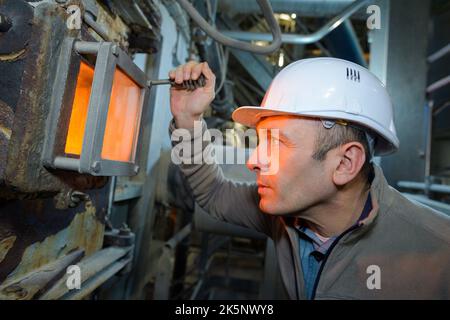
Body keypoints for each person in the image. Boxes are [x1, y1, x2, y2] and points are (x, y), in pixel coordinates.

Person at [168, 57, 450, 299]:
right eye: (261, 141)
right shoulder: (283, 215)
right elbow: (214, 193)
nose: (253, 161)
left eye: (278, 143)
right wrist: (186, 120)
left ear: (345, 163)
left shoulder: (440, 255)